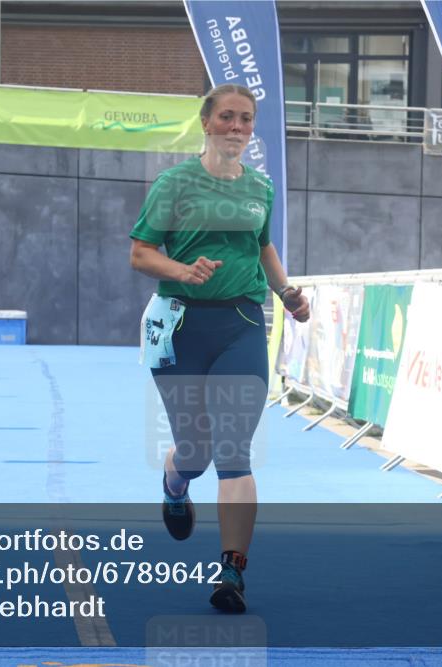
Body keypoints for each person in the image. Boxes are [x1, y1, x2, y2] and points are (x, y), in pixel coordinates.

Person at [129, 83, 310, 614]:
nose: (237, 127)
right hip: (180, 326)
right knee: (197, 451)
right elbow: (141, 254)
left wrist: (288, 292)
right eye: (228, 117)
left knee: (234, 452)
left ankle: (232, 571)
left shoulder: (261, 187)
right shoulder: (174, 183)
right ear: (206, 123)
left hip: (242, 322)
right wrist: (183, 270)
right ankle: (174, 481)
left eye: (247, 120)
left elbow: (262, 245)